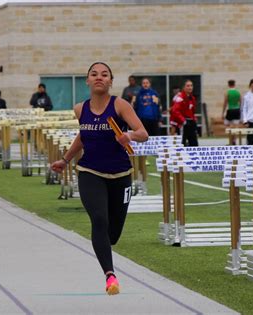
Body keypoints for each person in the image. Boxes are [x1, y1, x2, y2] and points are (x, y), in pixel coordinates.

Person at [51, 62, 148, 295]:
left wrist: (129, 135)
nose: (99, 78)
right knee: (99, 219)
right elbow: (83, 137)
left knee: (112, 235)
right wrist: (65, 160)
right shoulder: (79, 109)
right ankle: (110, 276)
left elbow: (143, 134)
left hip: (121, 175)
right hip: (90, 172)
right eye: (94, 74)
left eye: (104, 75)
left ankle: (107, 257)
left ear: (111, 81)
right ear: (87, 80)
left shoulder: (120, 105)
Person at [171, 80, 198, 146]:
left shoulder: (192, 98)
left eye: (191, 85)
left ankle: (194, 155)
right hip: (183, 123)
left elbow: (192, 111)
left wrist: (194, 119)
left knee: (194, 143)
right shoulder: (180, 98)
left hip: (191, 122)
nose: (190, 87)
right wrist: (183, 120)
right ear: (184, 87)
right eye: (188, 86)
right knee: (182, 143)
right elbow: (175, 110)